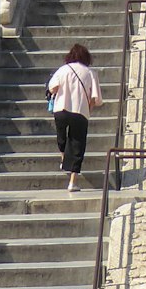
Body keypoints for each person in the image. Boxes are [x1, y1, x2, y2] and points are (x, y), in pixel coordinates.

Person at [46, 43, 103, 193]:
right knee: (77, 146)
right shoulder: (91, 73)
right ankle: (73, 182)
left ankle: (64, 158)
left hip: (61, 109)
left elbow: (52, 88)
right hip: (80, 112)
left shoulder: (63, 70)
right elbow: (95, 98)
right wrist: (88, 111)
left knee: (62, 139)